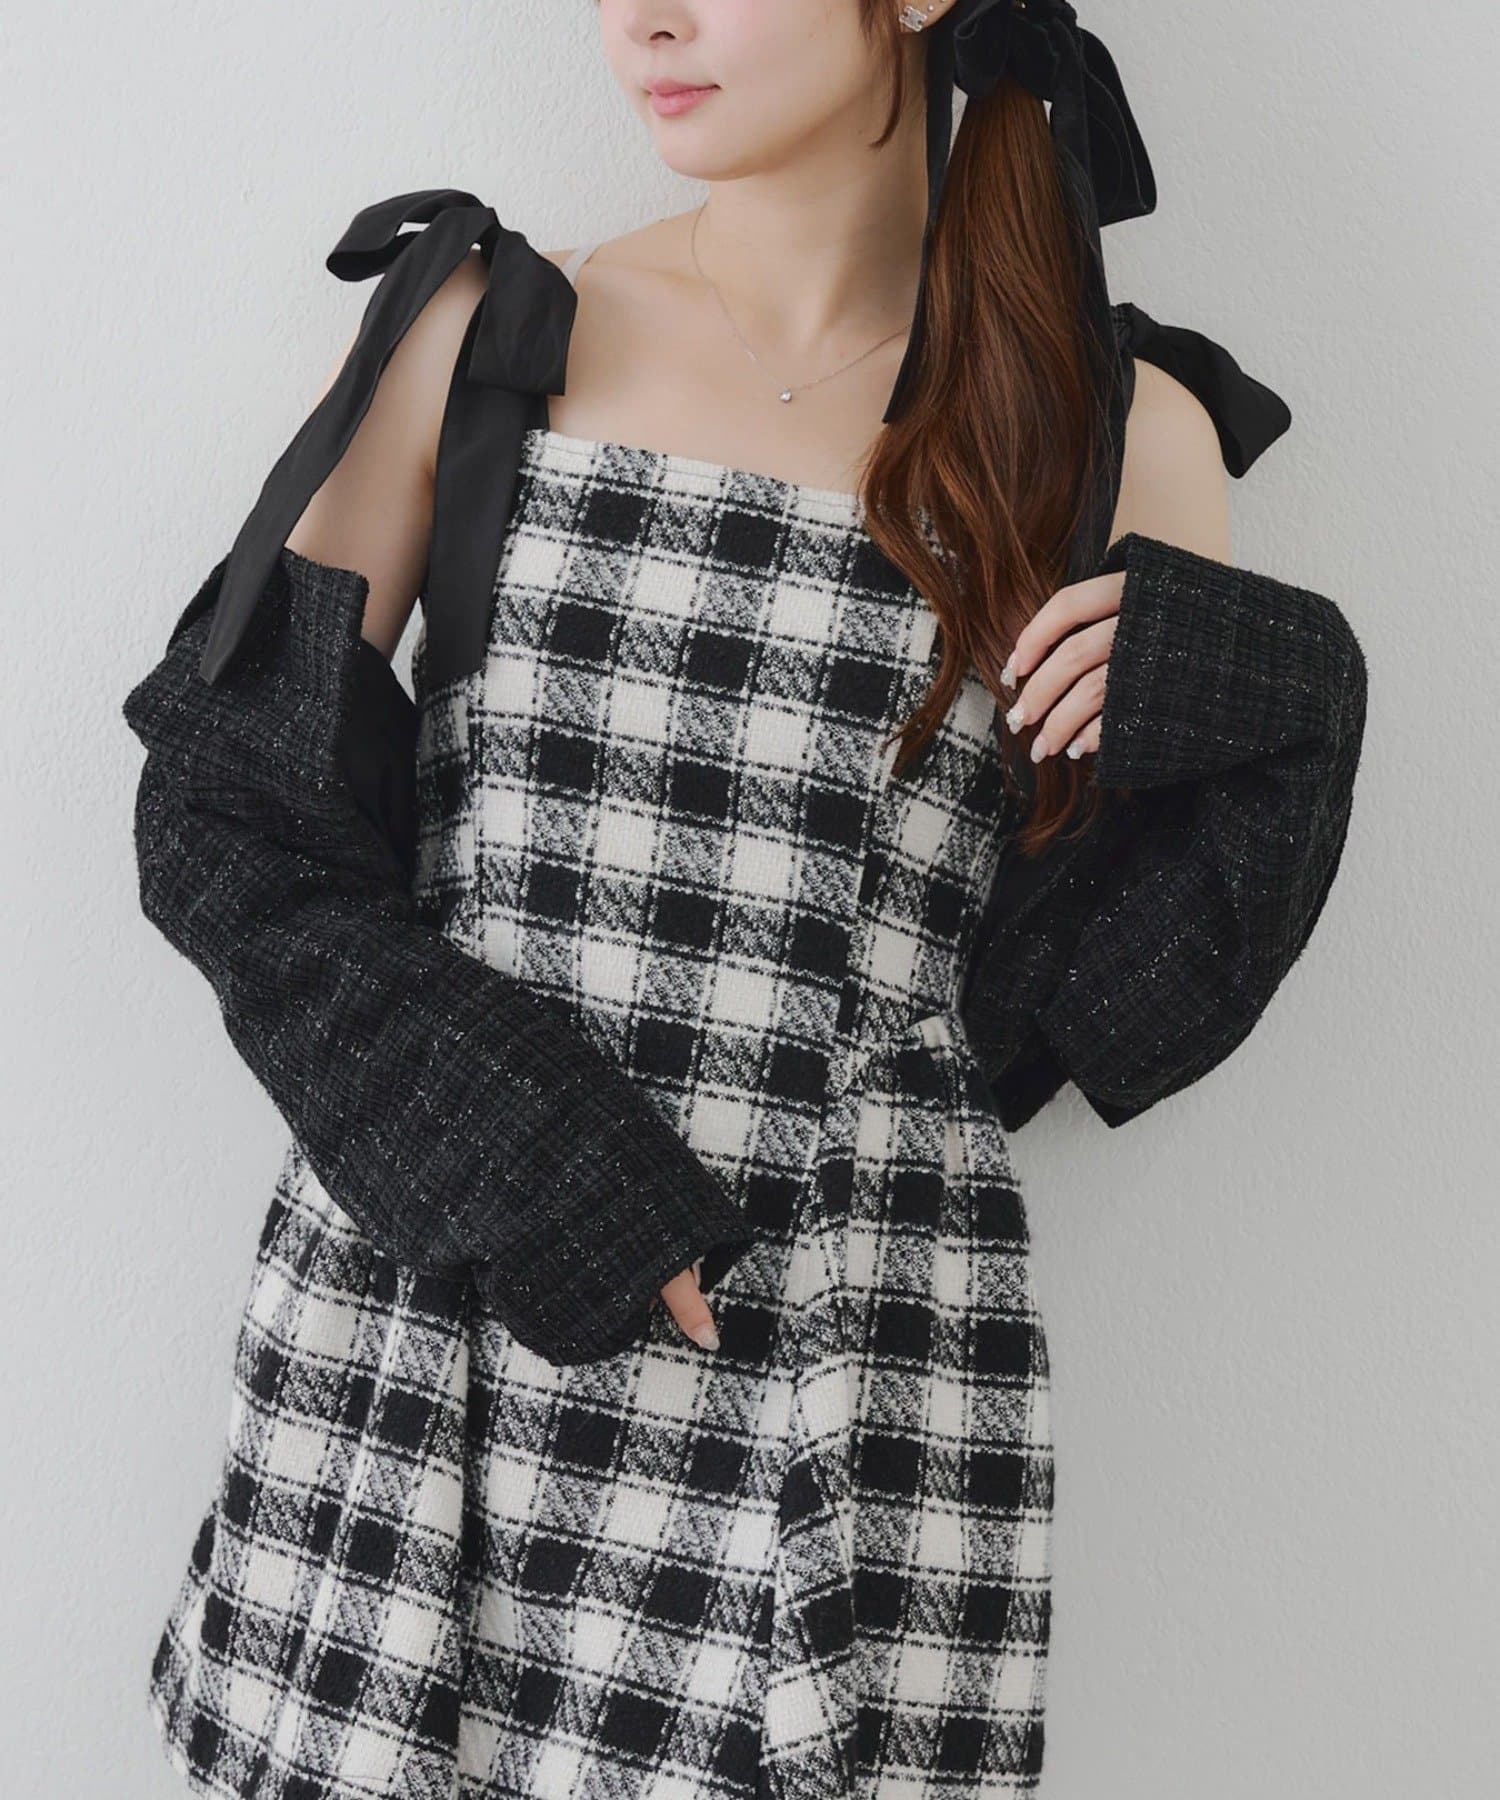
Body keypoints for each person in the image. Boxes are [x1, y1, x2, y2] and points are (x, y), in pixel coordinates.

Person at [124, 4, 1367, 1797]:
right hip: (440, 1301)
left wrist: (1287, 721)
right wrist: (521, 1153)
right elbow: (227, 814)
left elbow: (1107, 1004)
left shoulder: (1111, 431)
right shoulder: (486, 336)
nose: (643, 17)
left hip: (853, 1350)